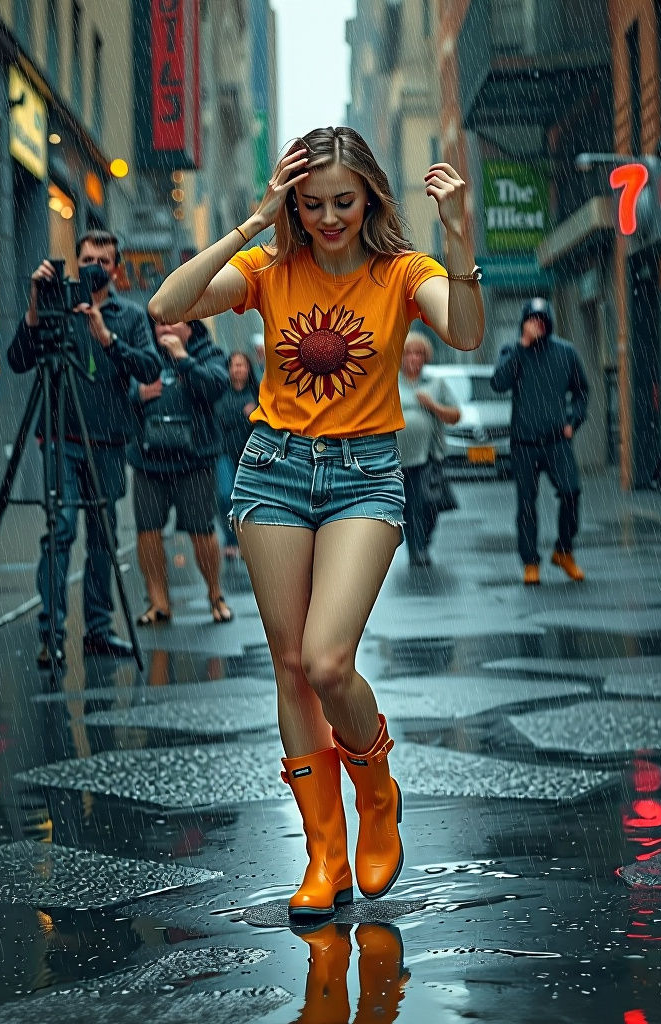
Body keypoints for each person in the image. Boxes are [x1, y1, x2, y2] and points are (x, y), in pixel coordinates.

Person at [148, 126, 484, 923]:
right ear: (294, 202)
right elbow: (164, 305)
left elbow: (466, 331)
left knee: (329, 661)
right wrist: (254, 220)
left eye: (344, 200)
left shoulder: (405, 271)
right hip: (273, 471)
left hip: (366, 473)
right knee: (291, 664)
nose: (330, 217)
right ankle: (323, 852)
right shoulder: (270, 268)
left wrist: (460, 232)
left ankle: (376, 789)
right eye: (313, 203)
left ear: (368, 195)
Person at [7, 229, 161, 667]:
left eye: (104, 260)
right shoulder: (55, 305)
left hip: (108, 442)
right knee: (61, 530)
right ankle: (50, 635)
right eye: (88, 258)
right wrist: (37, 304)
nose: (95, 266)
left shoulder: (129, 315)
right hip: (61, 436)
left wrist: (107, 337)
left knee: (103, 538)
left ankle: (99, 629)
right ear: (77, 262)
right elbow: (19, 359)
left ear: (116, 268)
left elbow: (150, 367)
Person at [130, 319, 232, 625]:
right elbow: (121, 391)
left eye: (172, 322)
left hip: (195, 460)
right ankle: (159, 602)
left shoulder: (209, 353)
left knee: (202, 531)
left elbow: (214, 388)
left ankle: (215, 595)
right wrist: (138, 394)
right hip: (149, 459)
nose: (164, 329)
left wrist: (184, 360)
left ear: (190, 326)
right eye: (158, 324)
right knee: (147, 531)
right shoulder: (145, 353)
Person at [490, 298, 589, 586]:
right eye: (531, 319)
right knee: (526, 504)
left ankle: (564, 551)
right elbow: (498, 383)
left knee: (571, 492)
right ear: (523, 322)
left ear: (549, 322)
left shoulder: (566, 352)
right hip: (524, 442)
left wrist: (573, 420)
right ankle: (530, 562)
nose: (537, 324)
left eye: (541, 319)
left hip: (558, 441)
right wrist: (522, 346)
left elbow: (582, 392)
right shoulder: (513, 351)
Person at [396, 331, 460, 567]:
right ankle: (417, 549)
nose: (414, 358)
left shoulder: (436, 384)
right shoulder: (390, 382)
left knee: (427, 504)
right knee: (408, 507)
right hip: (395, 458)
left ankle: (422, 540)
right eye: (409, 353)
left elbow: (455, 416)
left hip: (427, 455)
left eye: (419, 353)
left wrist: (432, 405)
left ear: (425, 357)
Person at [214, 350, 261, 559]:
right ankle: (231, 539)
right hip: (224, 451)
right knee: (225, 495)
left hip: (250, 452)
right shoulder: (220, 392)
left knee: (249, 497)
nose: (238, 369)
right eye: (234, 365)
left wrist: (251, 415)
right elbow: (219, 417)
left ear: (248, 368)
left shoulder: (258, 393)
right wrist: (243, 414)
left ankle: (247, 539)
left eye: (241, 365)